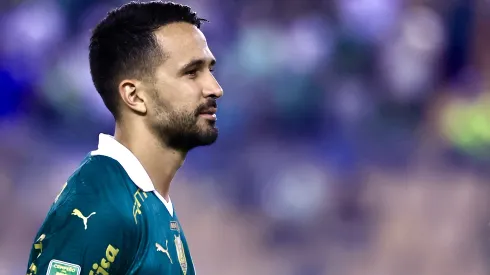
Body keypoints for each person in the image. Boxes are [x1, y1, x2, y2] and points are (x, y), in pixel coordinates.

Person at [25, 1, 223, 274]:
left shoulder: (151, 203)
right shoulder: (100, 207)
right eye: (191, 72)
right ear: (134, 96)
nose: (215, 88)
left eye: (209, 70)